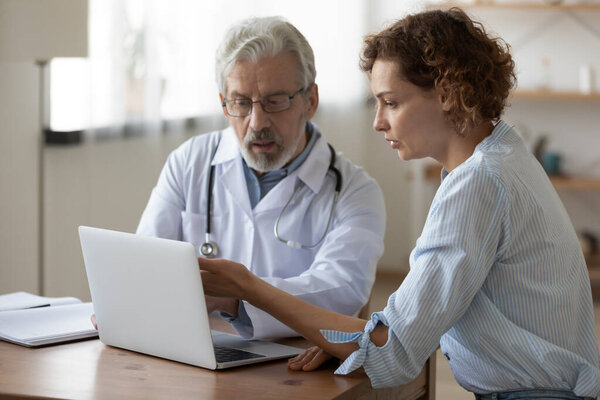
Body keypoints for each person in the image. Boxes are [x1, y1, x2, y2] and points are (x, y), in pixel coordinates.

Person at [197, 8, 600, 399]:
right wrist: (357, 337)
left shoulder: (478, 184)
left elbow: (393, 351)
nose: (378, 121)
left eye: (390, 102)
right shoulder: (502, 152)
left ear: (446, 94)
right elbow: (407, 318)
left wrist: (247, 287)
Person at [133, 16, 386, 340]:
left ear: (310, 101)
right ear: (223, 105)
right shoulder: (189, 163)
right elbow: (145, 263)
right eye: (241, 103)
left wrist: (236, 298)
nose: (257, 122)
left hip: (298, 364)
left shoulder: (355, 192)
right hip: (192, 354)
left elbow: (341, 294)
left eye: (275, 101)